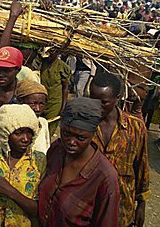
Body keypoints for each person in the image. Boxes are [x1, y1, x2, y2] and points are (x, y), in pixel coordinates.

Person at [37, 97, 120, 227]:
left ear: (93, 134)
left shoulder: (105, 177)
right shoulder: (56, 150)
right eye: (66, 133)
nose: (71, 142)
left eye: (81, 137)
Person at [90, 72, 150, 227]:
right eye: (93, 100)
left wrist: (141, 205)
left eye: (104, 102)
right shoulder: (84, 126)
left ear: (118, 98)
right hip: (89, 207)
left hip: (122, 209)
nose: (97, 107)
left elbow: (141, 166)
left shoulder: (135, 127)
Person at [0, 104, 46, 227]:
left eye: (30, 133)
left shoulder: (39, 161)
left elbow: (38, 210)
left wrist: (9, 190)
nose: (26, 139)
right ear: (5, 133)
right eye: (18, 133)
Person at [40, 51, 71, 135]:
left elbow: (65, 88)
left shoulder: (62, 67)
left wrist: (63, 106)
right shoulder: (43, 64)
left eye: (51, 53)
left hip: (55, 102)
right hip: (42, 101)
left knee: (50, 128)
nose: (48, 56)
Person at [16, 80, 51, 154]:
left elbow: (47, 146)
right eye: (33, 103)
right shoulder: (15, 124)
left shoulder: (43, 122)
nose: (37, 108)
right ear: (21, 102)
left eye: (41, 104)